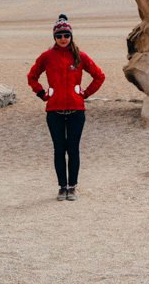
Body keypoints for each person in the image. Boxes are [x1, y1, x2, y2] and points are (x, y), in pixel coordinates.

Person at [27, 14, 105, 201]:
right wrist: (42, 94)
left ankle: (73, 187)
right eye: (59, 35)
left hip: (77, 111)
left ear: (71, 36)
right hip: (54, 112)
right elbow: (32, 77)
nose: (63, 39)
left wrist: (84, 94)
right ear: (54, 37)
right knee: (59, 149)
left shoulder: (80, 56)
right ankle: (62, 187)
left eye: (66, 35)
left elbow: (99, 76)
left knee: (73, 149)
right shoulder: (47, 57)